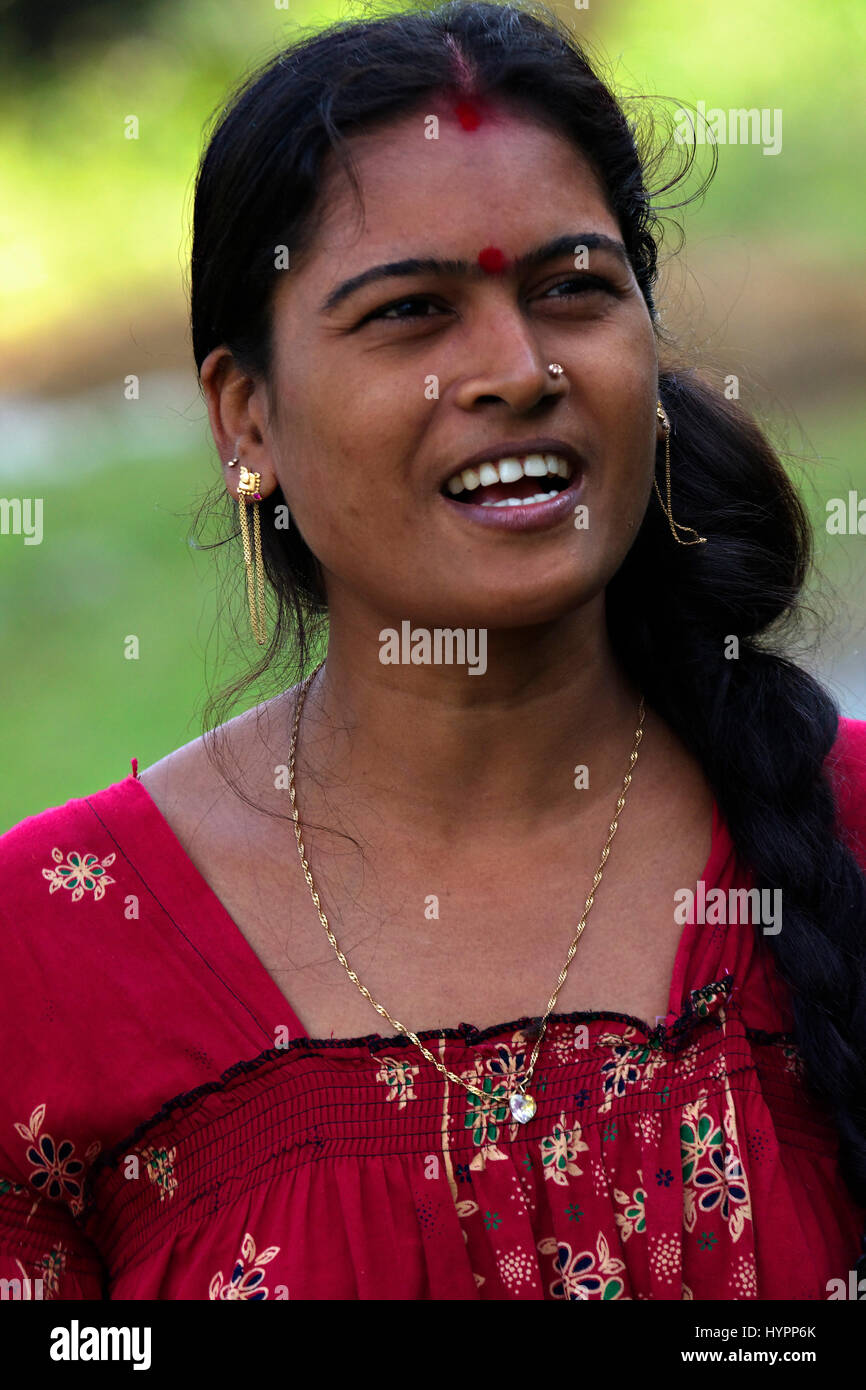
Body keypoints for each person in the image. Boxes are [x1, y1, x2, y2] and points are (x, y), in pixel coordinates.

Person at [1, 1, 864, 1302]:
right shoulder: (50, 952)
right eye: (410, 311)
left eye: (572, 289)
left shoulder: (840, 826)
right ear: (248, 422)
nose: (516, 368)